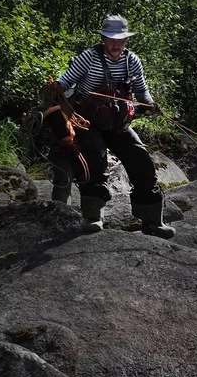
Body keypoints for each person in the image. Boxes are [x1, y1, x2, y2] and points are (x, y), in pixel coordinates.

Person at [52, 14, 174, 238]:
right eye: (111, 39)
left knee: (141, 159)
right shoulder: (88, 58)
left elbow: (141, 91)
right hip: (87, 123)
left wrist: (149, 103)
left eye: (120, 39)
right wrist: (57, 86)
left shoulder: (133, 61)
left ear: (127, 40)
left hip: (118, 124)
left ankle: (152, 221)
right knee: (96, 160)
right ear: (103, 38)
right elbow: (67, 79)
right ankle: (93, 217)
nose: (116, 43)